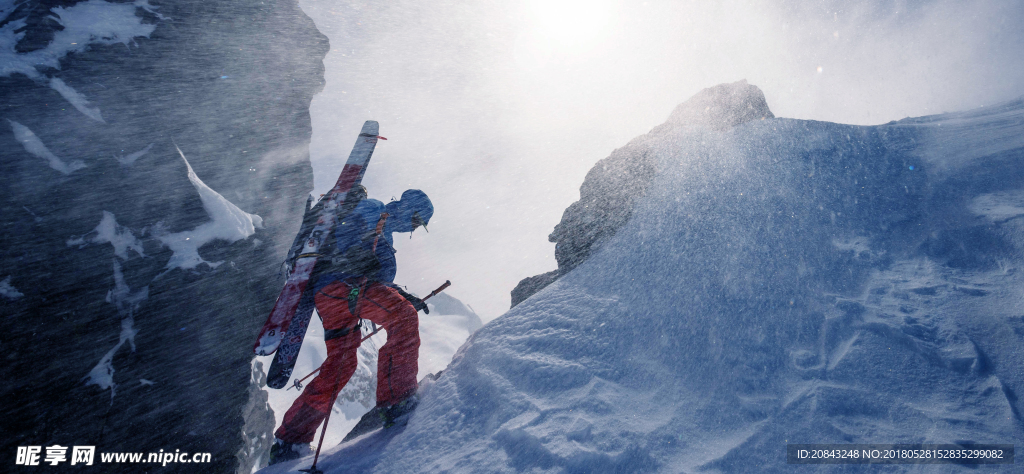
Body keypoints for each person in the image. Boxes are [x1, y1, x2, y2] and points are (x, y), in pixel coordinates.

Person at [270, 187, 434, 464]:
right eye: (417, 221)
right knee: (403, 318)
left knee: (342, 364)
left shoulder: (384, 227)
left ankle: (291, 440)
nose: (415, 228)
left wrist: (400, 293)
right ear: (407, 208)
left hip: (332, 295)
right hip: (346, 286)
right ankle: (398, 403)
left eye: (420, 226)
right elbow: (348, 236)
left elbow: (371, 265)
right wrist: (352, 257)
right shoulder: (375, 208)